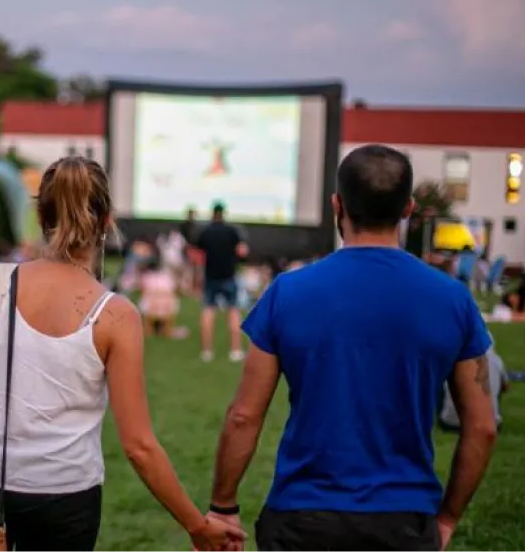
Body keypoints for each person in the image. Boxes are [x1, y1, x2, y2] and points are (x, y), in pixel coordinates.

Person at [0, 156, 245, 552]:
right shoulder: (116, 316)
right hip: (62, 495)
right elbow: (139, 446)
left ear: (41, 214)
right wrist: (196, 526)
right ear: (107, 222)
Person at [207, 144, 498, 552]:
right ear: (408, 210)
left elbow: (243, 416)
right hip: (406, 520)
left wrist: (222, 506)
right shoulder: (453, 299)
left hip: (302, 518)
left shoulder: (288, 293)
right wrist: (447, 518)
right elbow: (483, 426)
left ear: (336, 204)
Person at [196, 202, 248, 363]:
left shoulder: (205, 232)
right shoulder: (232, 231)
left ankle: (206, 351)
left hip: (211, 276)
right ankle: (236, 350)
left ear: (212, 213)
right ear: (223, 213)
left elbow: (199, 254)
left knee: (208, 311)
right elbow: (242, 251)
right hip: (229, 276)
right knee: (233, 312)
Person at [439, 335, 508, 432]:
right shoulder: (496, 360)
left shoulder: (451, 357)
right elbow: (505, 387)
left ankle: (450, 412)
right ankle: (491, 413)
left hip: (450, 423)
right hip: (490, 425)